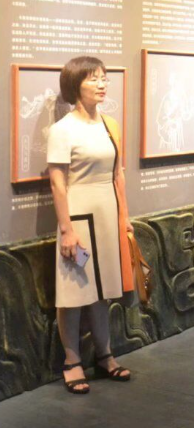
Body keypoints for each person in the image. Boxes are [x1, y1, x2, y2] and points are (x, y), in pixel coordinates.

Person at [48, 56, 134, 394]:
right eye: (93, 78)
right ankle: (72, 361)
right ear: (75, 85)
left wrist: (124, 218)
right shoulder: (63, 129)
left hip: (107, 215)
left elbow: (118, 175)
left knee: (102, 290)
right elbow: (58, 183)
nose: (101, 84)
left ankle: (104, 354)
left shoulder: (109, 125)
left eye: (104, 78)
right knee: (73, 291)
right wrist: (66, 229)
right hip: (77, 217)